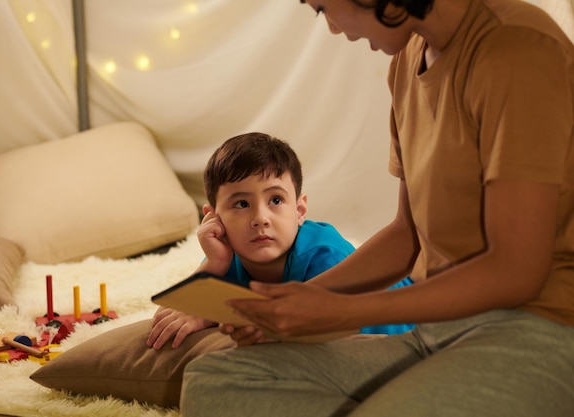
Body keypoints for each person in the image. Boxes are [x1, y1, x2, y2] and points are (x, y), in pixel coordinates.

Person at [179, 1, 574, 416]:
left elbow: (515, 271)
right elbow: (408, 235)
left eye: (323, 8)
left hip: (539, 333)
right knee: (217, 382)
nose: (331, 27)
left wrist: (342, 311)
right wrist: (293, 303)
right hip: (437, 335)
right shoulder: (407, 58)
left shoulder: (518, 49)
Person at [147, 132, 413, 350]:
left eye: (275, 200)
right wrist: (214, 264)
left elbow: (313, 324)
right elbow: (183, 306)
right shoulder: (227, 253)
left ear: (299, 210)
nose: (260, 218)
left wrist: (211, 312)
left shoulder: (324, 253)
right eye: (241, 203)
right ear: (213, 218)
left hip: (411, 322)